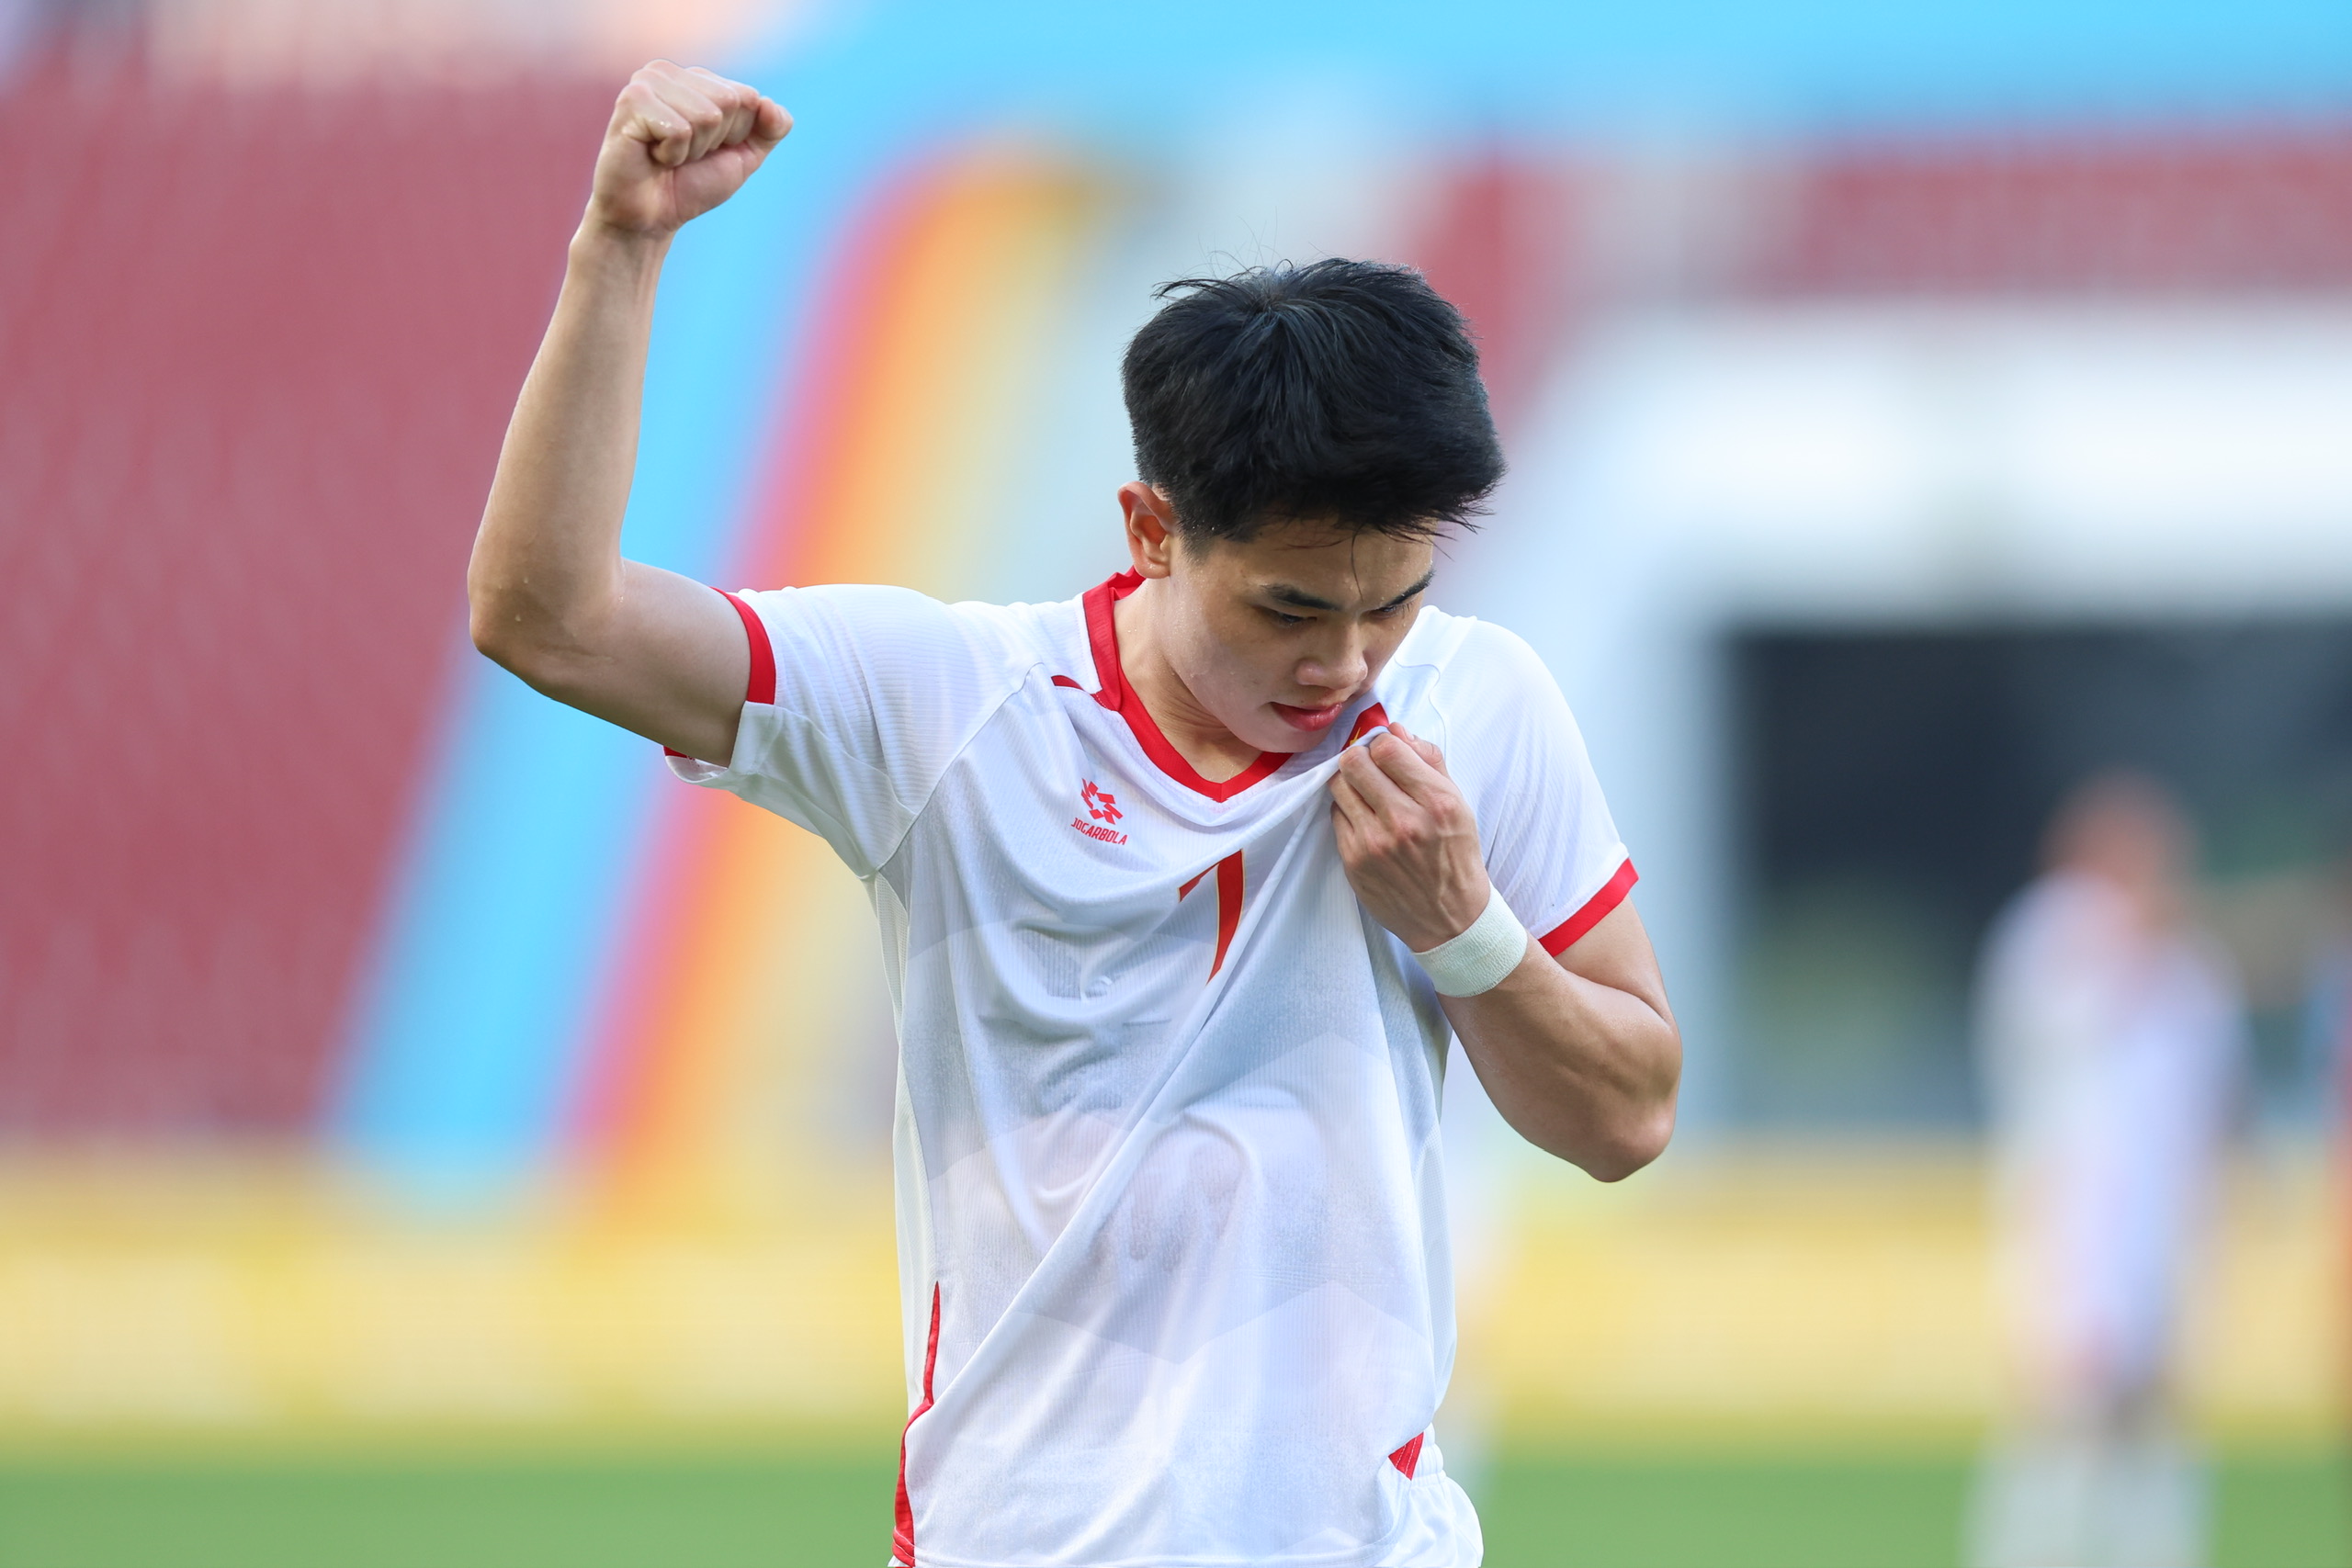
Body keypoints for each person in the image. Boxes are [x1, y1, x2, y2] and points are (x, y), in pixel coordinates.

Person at [467, 62, 1680, 1567]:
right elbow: (548, 617)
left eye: (1394, 602)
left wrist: (1466, 926)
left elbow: (1627, 1115)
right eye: (1291, 608)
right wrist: (621, 245)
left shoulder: (1480, 704)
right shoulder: (946, 705)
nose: (1349, 660)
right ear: (1152, 529)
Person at [1967, 773, 2245, 1568]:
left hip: (2166, 1218)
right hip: (2073, 1214)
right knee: (2065, 1406)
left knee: (2155, 1415)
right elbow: (2050, 1022)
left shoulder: (2193, 967)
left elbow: (2214, 1091)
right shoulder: (2048, 932)